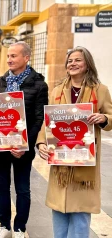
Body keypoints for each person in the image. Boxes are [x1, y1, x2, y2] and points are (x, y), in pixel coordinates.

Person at [36, 46, 112, 238]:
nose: (73, 63)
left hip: (84, 163)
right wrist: (41, 143)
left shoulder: (100, 91)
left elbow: (111, 117)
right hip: (60, 162)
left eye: (77, 60)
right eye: (70, 61)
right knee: (59, 211)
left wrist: (103, 118)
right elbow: (48, 122)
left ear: (87, 64)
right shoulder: (57, 91)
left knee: (80, 213)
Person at [0, 41, 48, 238]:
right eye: (8, 56)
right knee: (1, 186)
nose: (9, 59)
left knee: (22, 188)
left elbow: (40, 118)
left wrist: (26, 145)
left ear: (26, 58)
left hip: (23, 147)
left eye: (14, 56)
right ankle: (4, 227)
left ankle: (20, 227)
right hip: (0, 145)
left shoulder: (39, 84)